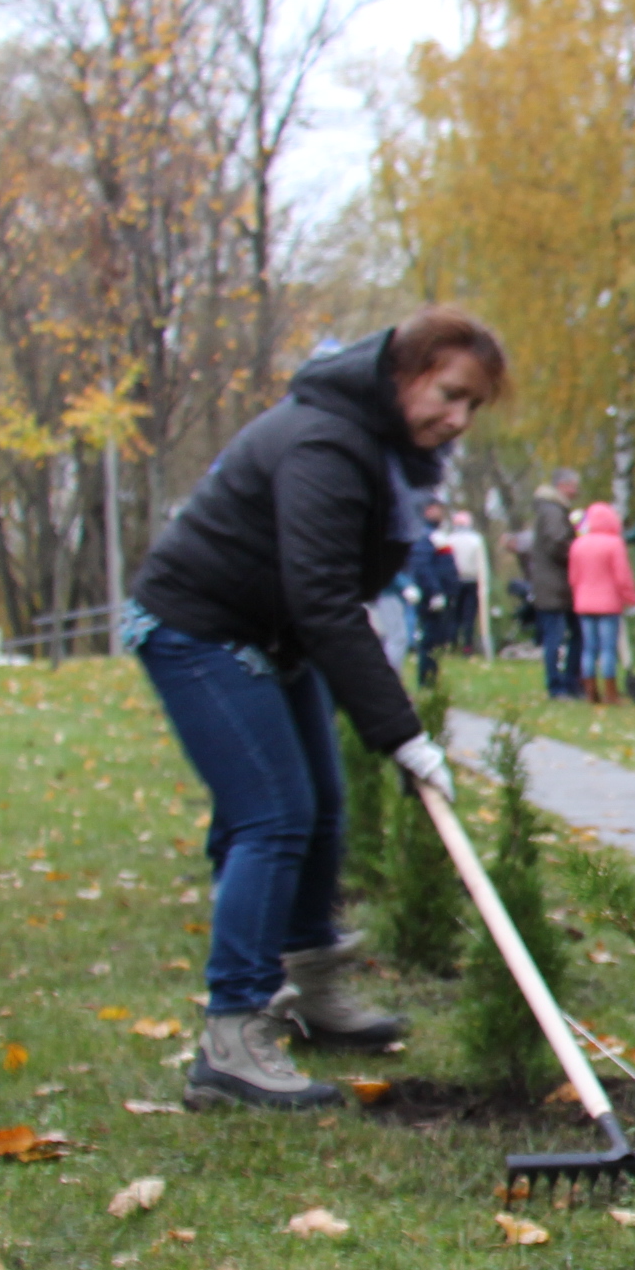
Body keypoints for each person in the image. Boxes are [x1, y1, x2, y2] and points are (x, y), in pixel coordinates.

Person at [126, 305, 504, 1111]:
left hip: (273, 634)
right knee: (272, 816)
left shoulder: (369, 442)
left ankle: (314, 992)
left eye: (473, 406)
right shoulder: (326, 444)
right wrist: (401, 735)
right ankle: (232, 1035)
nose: (457, 418)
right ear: (402, 371)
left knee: (322, 812)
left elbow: (327, 603)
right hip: (197, 630)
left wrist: (393, 731)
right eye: (449, 392)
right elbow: (326, 600)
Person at [517, 468, 579, 699]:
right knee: (556, 636)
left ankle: (570, 682)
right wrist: (578, 552)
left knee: (568, 634)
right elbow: (557, 543)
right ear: (563, 485)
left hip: (553, 584)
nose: (576, 491)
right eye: (573, 485)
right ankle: (559, 686)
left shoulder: (551, 509)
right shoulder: (553, 511)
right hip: (555, 586)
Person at [568, 500, 635, 706]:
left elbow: (573, 577)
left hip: (584, 603)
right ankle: (611, 693)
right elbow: (622, 576)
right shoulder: (614, 543)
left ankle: (590, 692)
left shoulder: (578, 544)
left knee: (589, 648)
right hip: (608, 604)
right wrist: (631, 599)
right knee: (608, 649)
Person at [399, 498, 460, 688]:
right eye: (436, 509)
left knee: (436, 640)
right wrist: (435, 592)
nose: (440, 514)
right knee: (430, 640)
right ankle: (427, 680)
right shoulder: (424, 535)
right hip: (433, 596)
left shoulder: (434, 534)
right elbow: (422, 566)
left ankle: (431, 678)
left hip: (441, 593)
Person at [437, 502, 488, 656]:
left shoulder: (448, 540)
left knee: (453, 614)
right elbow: (482, 565)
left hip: (453, 581)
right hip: (472, 581)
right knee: (469, 615)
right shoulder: (476, 540)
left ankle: (451, 644)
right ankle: (467, 646)